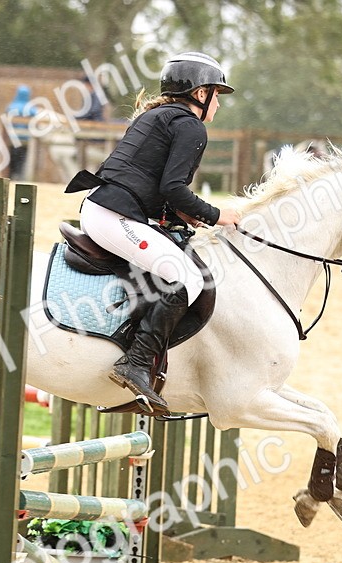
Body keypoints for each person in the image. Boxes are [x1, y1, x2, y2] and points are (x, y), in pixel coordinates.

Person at [66, 52, 242, 415]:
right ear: (200, 92)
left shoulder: (157, 116)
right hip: (115, 215)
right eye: (217, 94)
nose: (218, 104)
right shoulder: (190, 126)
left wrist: (178, 214)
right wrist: (216, 214)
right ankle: (136, 362)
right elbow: (175, 188)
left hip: (107, 208)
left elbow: (153, 184)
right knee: (184, 279)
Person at [5, 84, 35, 180]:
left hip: (12, 140)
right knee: (21, 161)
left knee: (11, 160)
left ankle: (9, 177)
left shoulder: (12, 106)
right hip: (25, 140)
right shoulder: (30, 108)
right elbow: (36, 116)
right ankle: (18, 177)